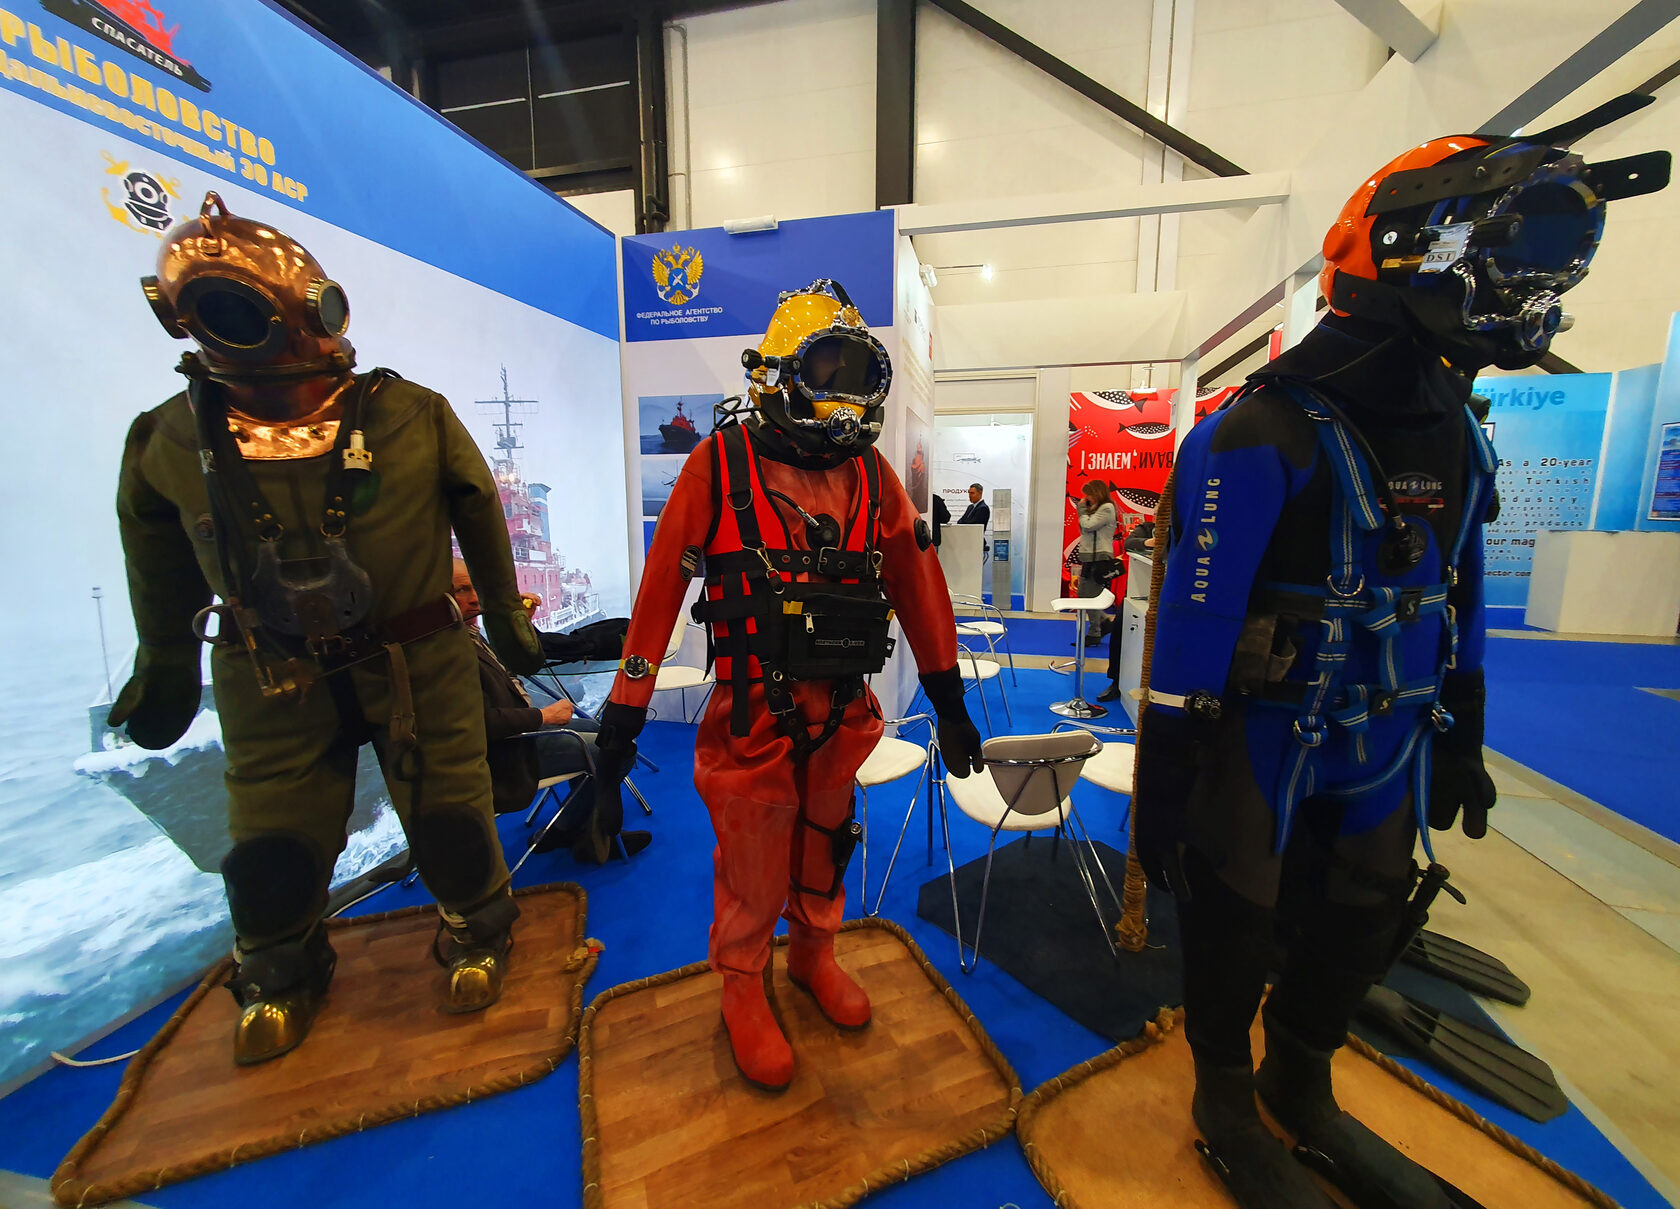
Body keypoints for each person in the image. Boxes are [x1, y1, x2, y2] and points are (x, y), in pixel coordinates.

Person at [1133, 101, 1668, 1209]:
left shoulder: (1459, 433)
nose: (1533, 287)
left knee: (1367, 906)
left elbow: (1463, 595)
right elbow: (1191, 622)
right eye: (1514, 249)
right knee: (1235, 911)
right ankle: (1224, 1098)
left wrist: (1465, 735)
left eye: (1555, 257)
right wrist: (1168, 778)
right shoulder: (1255, 432)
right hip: (1266, 742)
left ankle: (1301, 1076)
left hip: (1392, 741)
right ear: (1410, 245)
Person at [110, 193, 543, 1065]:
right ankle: (280, 966)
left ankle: (476, 926)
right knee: (273, 833)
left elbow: (479, 509)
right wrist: (164, 663)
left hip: (415, 658)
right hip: (270, 670)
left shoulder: (409, 415)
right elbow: (154, 554)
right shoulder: (170, 440)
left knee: (447, 809)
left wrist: (504, 614)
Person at [586, 279, 985, 1092]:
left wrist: (949, 702)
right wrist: (624, 719)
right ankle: (743, 982)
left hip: (843, 709)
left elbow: (919, 588)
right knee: (754, 858)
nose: (844, 396)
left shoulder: (870, 476)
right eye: (826, 370)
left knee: (824, 842)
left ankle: (813, 953)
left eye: (857, 374)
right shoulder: (717, 465)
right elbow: (660, 594)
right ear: (776, 374)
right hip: (753, 715)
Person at [453, 560, 651, 863]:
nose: (474, 599)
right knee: (617, 751)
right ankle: (585, 833)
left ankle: (571, 827)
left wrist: (522, 625)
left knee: (604, 733)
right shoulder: (450, 653)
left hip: (516, 734)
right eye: (461, 591)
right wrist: (543, 717)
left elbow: (507, 673)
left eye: (474, 588)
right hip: (504, 753)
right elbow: (478, 722)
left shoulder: (466, 635)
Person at [1096, 516, 1155, 703]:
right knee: (1120, 635)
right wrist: (1150, 542)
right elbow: (1129, 543)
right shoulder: (1148, 528)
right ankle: (1116, 682)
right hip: (1138, 595)